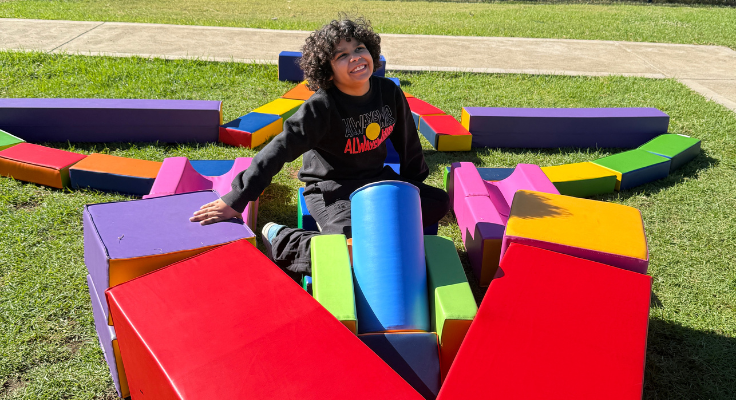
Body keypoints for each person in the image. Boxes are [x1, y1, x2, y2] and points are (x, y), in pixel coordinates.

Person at [190, 16, 450, 281]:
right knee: (347, 252)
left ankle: (376, 232)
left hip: (377, 181)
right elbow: (280, 149)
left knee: (437, 201)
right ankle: (282, 239)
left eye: (360, 48)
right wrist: (237, 198)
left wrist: (410, 188)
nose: (356, 57)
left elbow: (406, 139)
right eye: (342, 55)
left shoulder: (388, 92)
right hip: (333, 191)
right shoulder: (321, 106)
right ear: (327, 71)